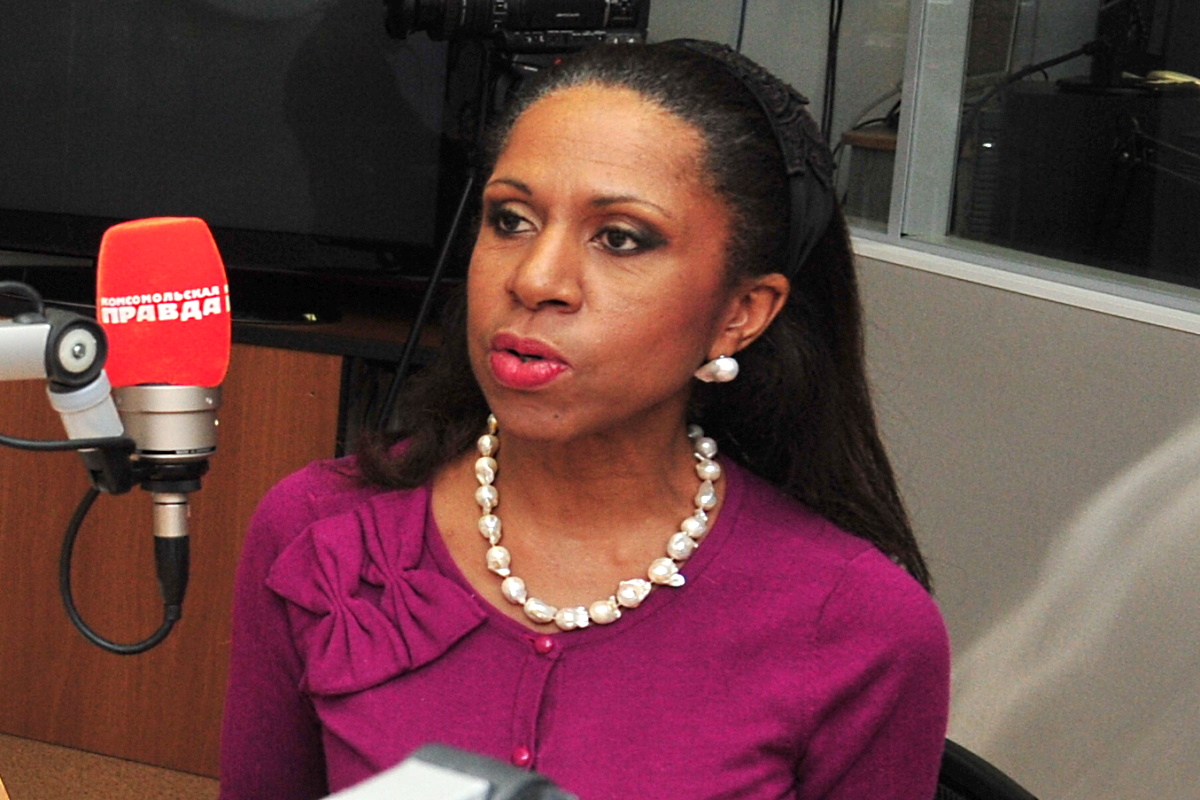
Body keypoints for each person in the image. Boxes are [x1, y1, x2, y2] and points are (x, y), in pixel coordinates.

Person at [219, 39, 950, 800]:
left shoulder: (865, 627)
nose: (535, 279)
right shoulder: (316, 530)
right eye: (511, 220)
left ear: (740, 312)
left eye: (620, 238)